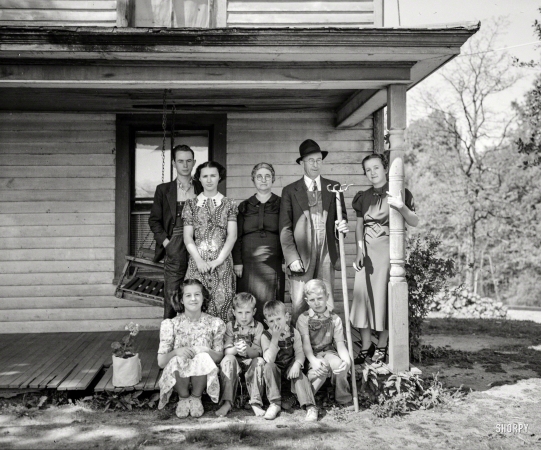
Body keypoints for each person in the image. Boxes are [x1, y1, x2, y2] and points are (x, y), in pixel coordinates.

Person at [350, 154, 418, 362]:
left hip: (388, 253)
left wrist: (400, 205)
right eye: (368, 170)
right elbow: (359, 226)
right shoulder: (362, 197)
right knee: (363, 298)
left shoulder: (400, 192)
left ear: (385, 168)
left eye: (376, 168)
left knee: (382, 299)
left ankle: (382, 344)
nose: (372, 173)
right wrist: (360, 250)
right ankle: (367, 345)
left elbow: (414, 221)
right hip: (367, 253)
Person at [279, 139, 349, 325]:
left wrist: (342, 228)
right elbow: (285, 228)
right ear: (302, 163)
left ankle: (326, 345)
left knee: (325, 300)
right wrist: (291, 257)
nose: (316, 164)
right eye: (311, 160)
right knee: (300, 302)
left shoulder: (333, 187)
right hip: (301, 254)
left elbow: (342, 220)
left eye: (319, 160)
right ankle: (300, 348)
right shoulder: (290, 191)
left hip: (327, 252)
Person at [157, 279, 226, 419]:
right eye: (188, 295)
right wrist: (176, 352)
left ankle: (196, 397)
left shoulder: (214, 323)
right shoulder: (171, 324)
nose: (193, 299)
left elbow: (218, 357)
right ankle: (183, 398)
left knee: (202, 357)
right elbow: (161, 362)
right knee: (177, 358)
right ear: (181, 300)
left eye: (197, 294)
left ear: (203, 297)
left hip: (202, 374)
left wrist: (205, 350)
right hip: (180, 375)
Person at [148, 144, 202, 319]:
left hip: (199, 244)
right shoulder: (163, 190)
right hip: (175, 245)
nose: (185, 165)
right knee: (172, 291)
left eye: (188, 161)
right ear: (173, 163)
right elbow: (154, 221)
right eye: (180, 161)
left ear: (194, 162)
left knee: (199, 290)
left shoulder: (201, 188)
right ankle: (169, 339)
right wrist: (167, 243)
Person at [182, 161, 238, 322]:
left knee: (224, 301)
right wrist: (198, 260)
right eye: (205, 176)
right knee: (196, 302)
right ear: (198, 179)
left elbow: (232, 236)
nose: (209, 180)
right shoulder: (191, 205)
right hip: (197, 263)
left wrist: (219, 260)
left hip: (222, 262)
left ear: (219, 177)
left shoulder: (229, 204)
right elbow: (188, 237)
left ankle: (222, 345)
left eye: (213, 175)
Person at [233, 163, 285, 323]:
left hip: (273, 262)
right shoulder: (244, 206)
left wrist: (285, 259)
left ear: (273, 179)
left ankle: (272, 337)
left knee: (272, 299)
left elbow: (287, 232)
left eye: (267, 176)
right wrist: (237, 262)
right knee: (247, 300)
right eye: (259, 176)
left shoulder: (283, 204)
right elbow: (236, 236)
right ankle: (248, 337)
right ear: (253, 180)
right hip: (247, 264)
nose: (263, 180)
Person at [296, 279, 352, 411]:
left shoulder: (335, 319)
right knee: (321, 366)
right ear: (307, 300)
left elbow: (340, 344)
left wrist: (346, 360)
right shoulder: (303, 318)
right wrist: (313, 360)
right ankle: (306, 396)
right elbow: (305, 343)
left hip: (328, 352)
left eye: (320, 298)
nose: (316, 303)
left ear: (327, 297)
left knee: (340, 365)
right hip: (311, 354)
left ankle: (343, 397)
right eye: (312, 300)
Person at [260, 300, 318, 422]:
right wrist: (275, 338)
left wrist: (297, 364)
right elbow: (269, 358)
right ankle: (275, 404)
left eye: (278, 319)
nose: (276, 323)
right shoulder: (265, 336)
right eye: (271, 321)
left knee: (300, 375)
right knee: (268, 366)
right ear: (266, 322)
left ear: (286, 317)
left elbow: (299, 353)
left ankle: (310, 406)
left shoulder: (294, 333)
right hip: (275, 367)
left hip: (290, 366)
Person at [216, 292, 266, 417]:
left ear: (254, 312)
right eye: (240, 313)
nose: (244, 317)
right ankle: (227, 402)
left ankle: (255, 402)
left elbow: (258, 352)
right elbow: (226, 351)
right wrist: (235, 350)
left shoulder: (258, 327)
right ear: (233, 312)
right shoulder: (229, 326)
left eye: (248, 312)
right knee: (228, 359)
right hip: (234, 362)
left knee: (260, 361)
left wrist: (248, 349)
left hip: (250, 361)